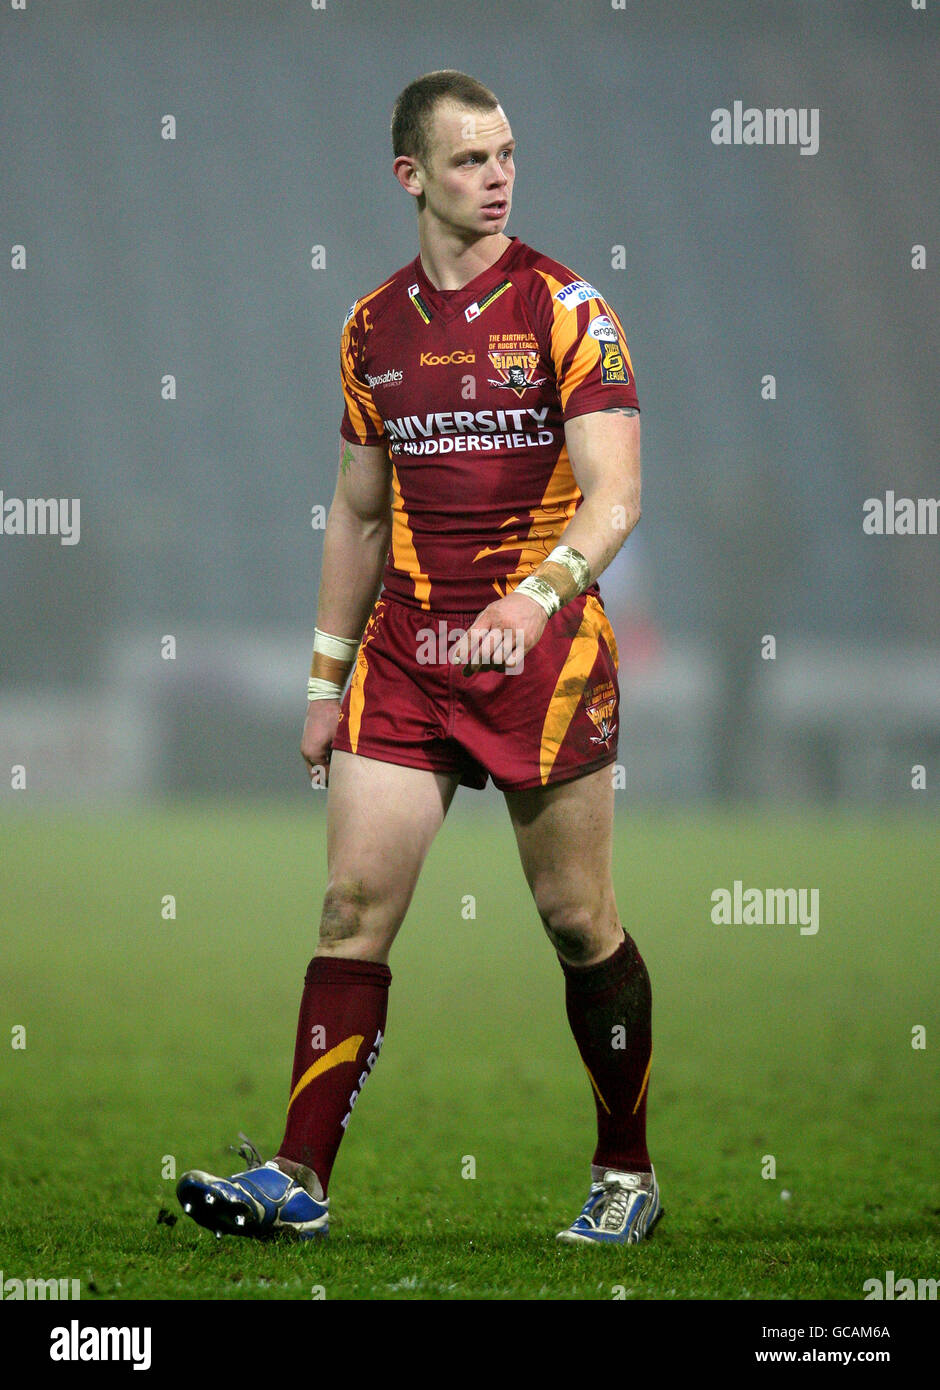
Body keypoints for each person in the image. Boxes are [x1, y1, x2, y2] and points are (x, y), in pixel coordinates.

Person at [177, 69, 659, 1247]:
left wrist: (538, 595)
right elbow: (354, 512)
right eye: (468, 160)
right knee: (349, 906)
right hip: (408, 655)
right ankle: (298, 1178)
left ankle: (625, 1171)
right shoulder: (371, 327)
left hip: (539, 658)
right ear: (412, 177)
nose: (496, 177)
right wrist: (322, 681)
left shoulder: (567, 309)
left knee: (574, 919)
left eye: (504, 157)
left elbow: (619, 495)